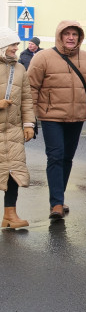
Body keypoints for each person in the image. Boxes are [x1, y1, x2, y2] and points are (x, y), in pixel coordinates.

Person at [28, 19, 86, 221]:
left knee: (67, 157)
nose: (70, 37)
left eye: (74, 34)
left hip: (77, 116)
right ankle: (56, 203)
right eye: (66, 34)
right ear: (60, 36)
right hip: (50, 116)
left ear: (79, 37)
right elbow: (31, 88)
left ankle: (59, 197)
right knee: (56, 156)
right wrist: (29, 118)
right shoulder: (43, 57)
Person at [0, 27, 35, 230]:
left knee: (13, 172)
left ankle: (10, 215)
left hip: (13, 130)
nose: (16, 48)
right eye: (13, 44)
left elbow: (27, 99)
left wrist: (29, 124)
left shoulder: (20, 68)